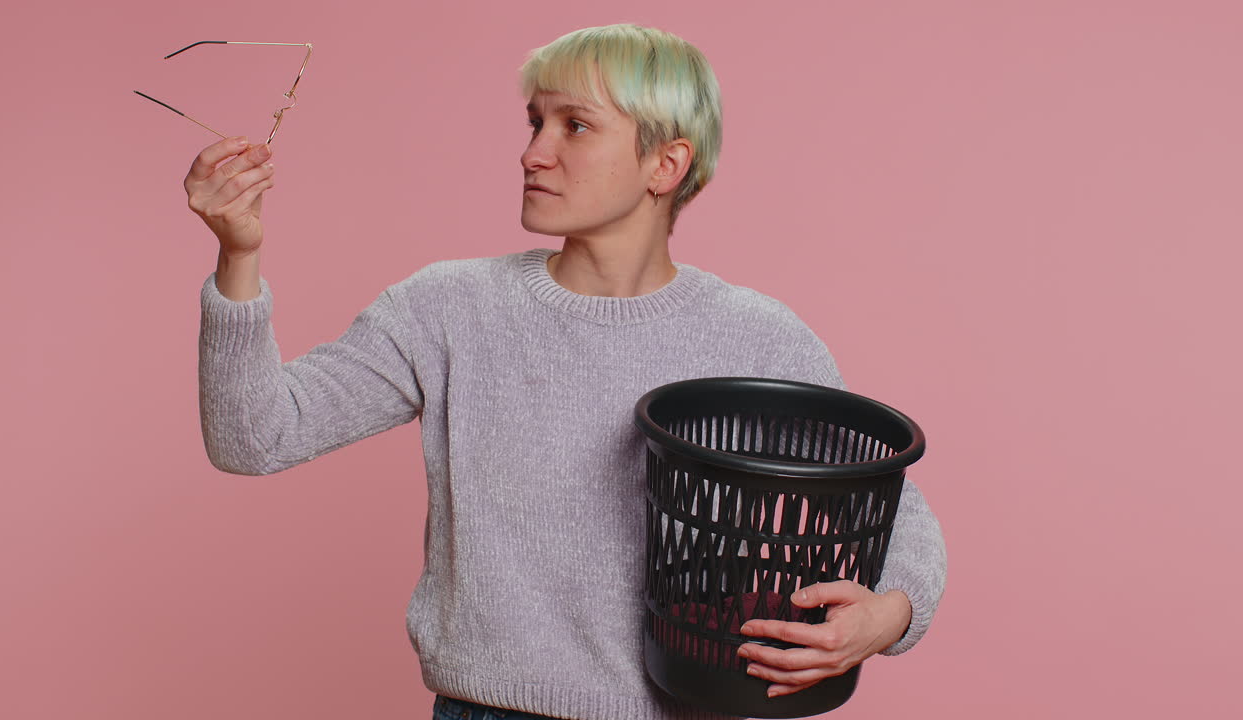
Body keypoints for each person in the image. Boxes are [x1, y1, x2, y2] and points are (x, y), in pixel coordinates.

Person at [188, 23, 946, 720]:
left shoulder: (758, 339)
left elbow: (897, 511)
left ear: (665, 163)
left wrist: (890, 614)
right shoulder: (449, 309)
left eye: (574, 125)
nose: (533, 152)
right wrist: (240, 257)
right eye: (535, 122)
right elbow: (255, 437)